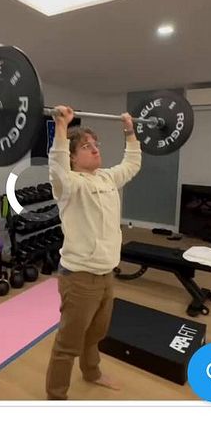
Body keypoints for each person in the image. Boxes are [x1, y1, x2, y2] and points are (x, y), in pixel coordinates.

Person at [46, 106, 142, 400]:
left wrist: (129, 130)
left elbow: (132, 164)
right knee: (68, 343)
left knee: (95, 334)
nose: (95, 149)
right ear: (73, 157)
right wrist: (61, 127)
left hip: (106, 274)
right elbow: (58, 167)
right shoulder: (69, 185)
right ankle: (56, 396)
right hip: (80, 278)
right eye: (86, 147)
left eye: (95, 145)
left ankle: (92, 373)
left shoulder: (106, 178)